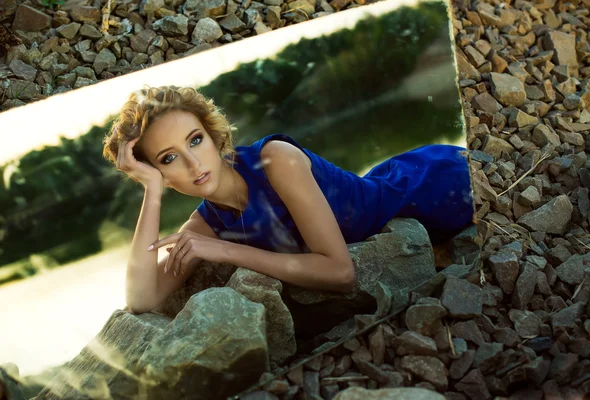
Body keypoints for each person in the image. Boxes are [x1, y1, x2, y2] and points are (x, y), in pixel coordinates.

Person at [102, 85, 474, 314]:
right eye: (168, 159)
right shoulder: (205, 224)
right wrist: (151, 191)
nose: (193, 162)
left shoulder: (275, 160)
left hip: (436, 187)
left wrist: (226, 252)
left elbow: (341, 274)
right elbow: (142, 298)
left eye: (195, 139)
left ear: (213, 136)